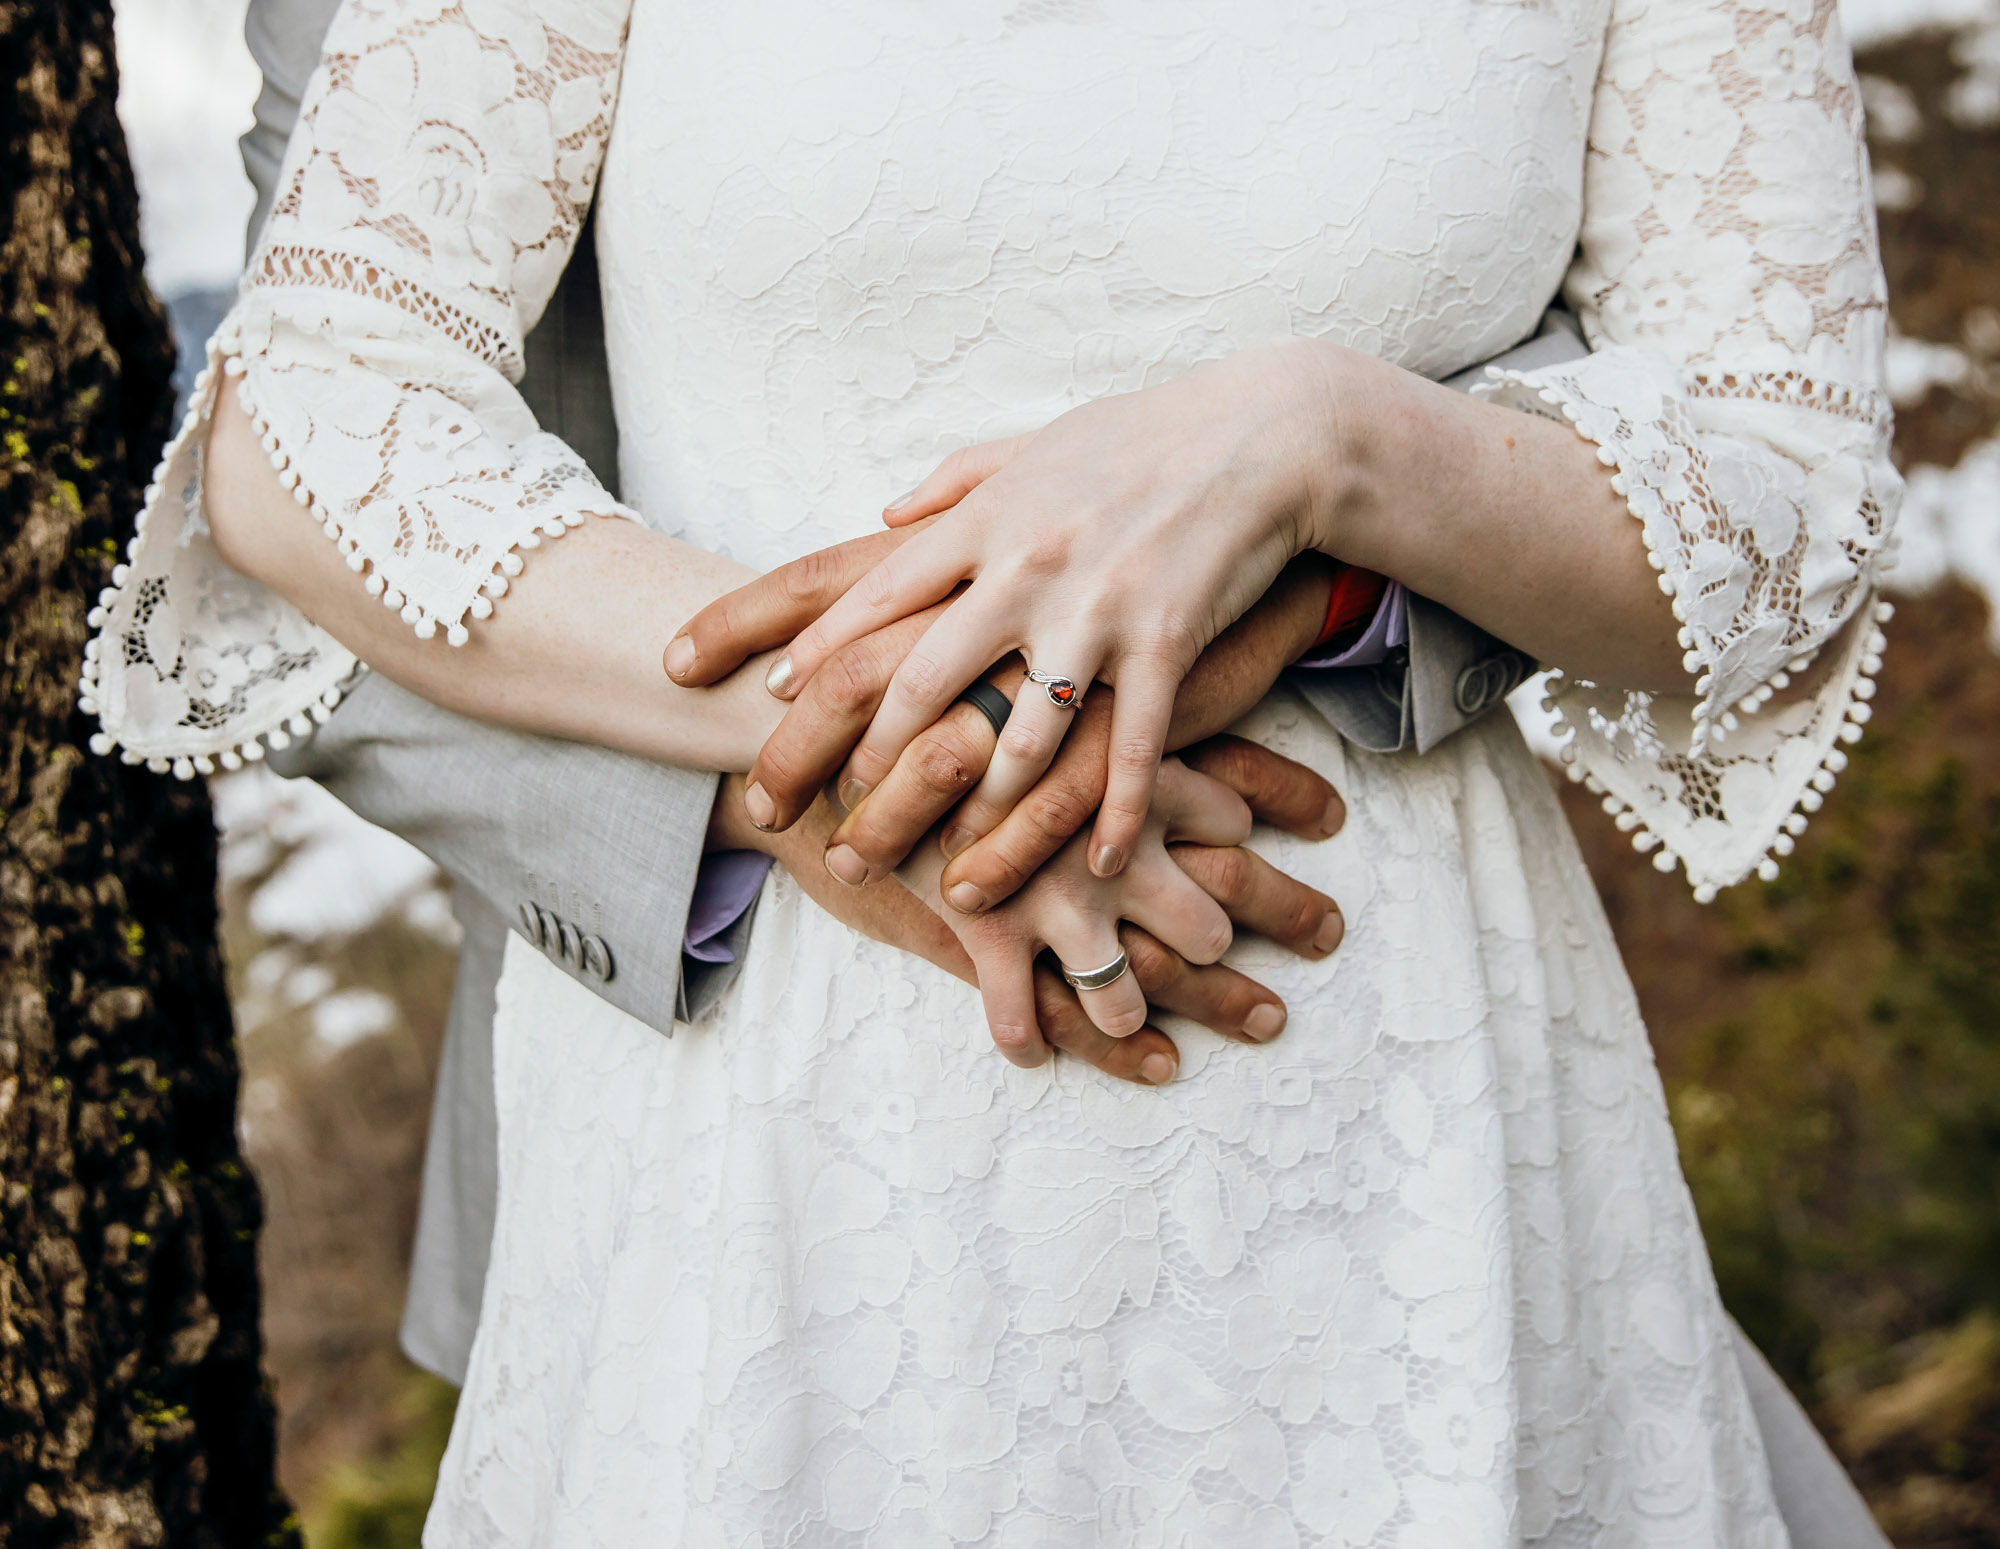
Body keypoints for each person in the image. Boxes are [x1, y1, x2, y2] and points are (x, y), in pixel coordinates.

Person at [90, 0, 1901, 1538]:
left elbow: (1789, 492)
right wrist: (892, 749)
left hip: (1403, 1101)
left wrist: (1331, 445)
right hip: (776, 1125)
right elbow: (315, 418)